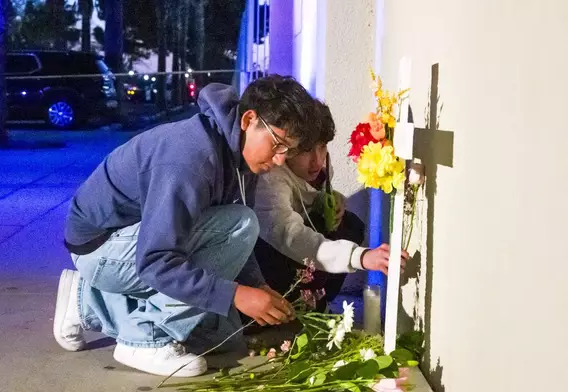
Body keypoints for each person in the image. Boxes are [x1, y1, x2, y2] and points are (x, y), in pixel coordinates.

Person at [52, 75, 325, 378]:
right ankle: (144, 339)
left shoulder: (239, 151)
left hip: (133, 239)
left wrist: (256, 285)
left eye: (289, 151)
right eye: (277, 145)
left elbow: (231, 234)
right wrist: (235, 295)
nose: (279, 160)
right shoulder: (191, 158)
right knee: (241, 228)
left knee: (221, 336)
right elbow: (155, 259)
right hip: (100, 247)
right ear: (249, 119)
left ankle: (87, 300)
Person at [252, 100, 409, 312]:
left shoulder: (321, 167)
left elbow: (310, 194)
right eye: (305, 150)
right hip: (268, 251)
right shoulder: (271, 179)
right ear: (288, 146)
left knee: (349, 225)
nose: (316, 161)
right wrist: (360, 256)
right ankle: (289, 308)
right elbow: (290, 235)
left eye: (322, 146)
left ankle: (320, 302)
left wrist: (332, 200)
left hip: (297, 234)